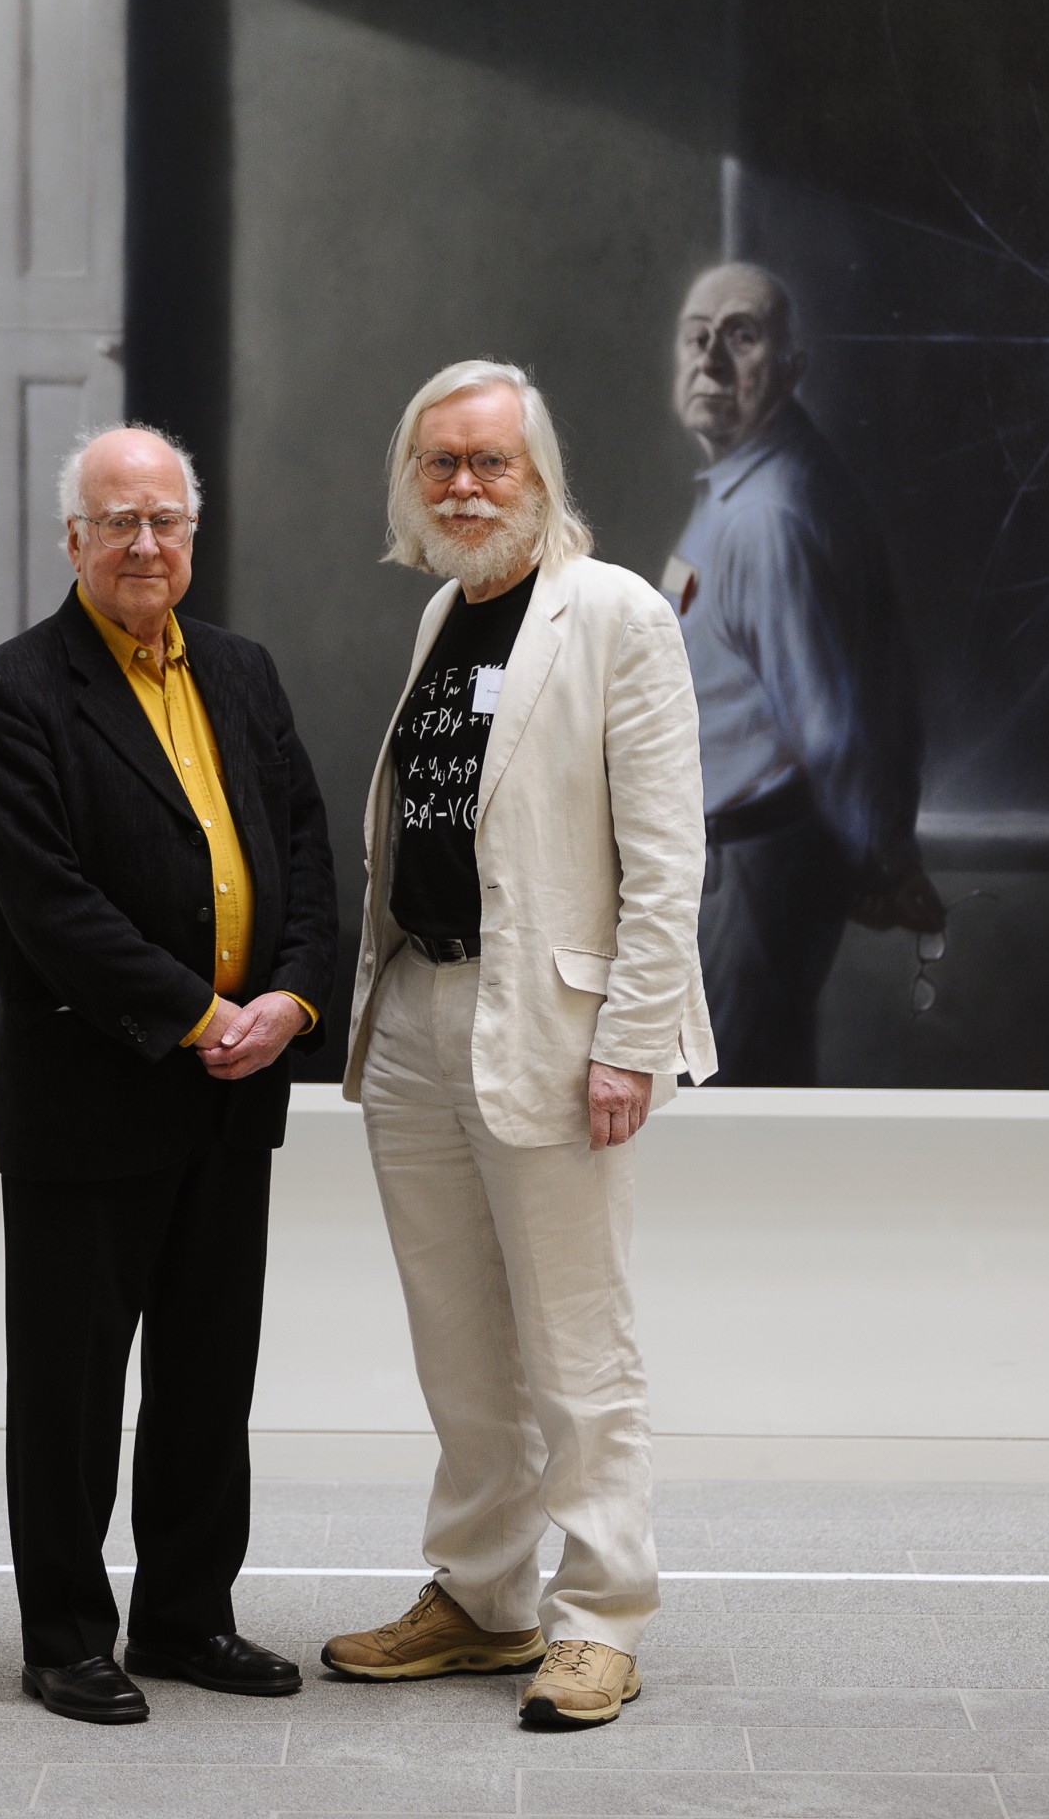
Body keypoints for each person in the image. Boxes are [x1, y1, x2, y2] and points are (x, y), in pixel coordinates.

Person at [323, 359, 715, 1731]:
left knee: (574, 1343)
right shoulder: (445, 608)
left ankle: (601, 1612)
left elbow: (665, 857)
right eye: (439, 464)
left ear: (539, 473)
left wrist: (631, 1044)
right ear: (410, 484)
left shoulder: (609, 616)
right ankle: (481, 1599)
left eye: (490, 461)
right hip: (419, 1019)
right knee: (456, 1341)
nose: (464, 486)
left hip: (549, 1023)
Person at [0, 424, 337, 1724]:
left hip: (236, 1094)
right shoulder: (11, 692)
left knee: (204, 1377)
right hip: (92, 1092)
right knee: (69, 1390)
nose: (142, 544)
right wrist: (194, 1013)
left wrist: (286, 997)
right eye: (116, 521)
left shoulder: (242, 672)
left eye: (164, 521)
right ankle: (66, 1634)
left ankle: (186, 1616)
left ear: (191, 535)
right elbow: (47, 904)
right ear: (72, 540)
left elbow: (298, 843)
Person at [666, 262, 944, 1085]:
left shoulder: (769, 518)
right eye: (695, 336)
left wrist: (888, 866)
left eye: (741, 337)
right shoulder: (743, 482)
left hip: (752, 876)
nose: (709, 360)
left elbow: (831, 730)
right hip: (730, 871)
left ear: (789, 369)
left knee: (728, 1110)